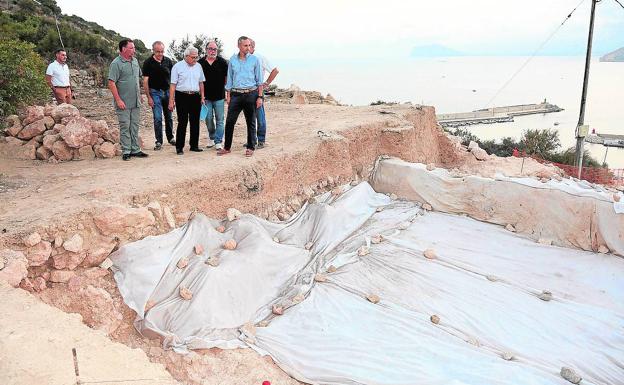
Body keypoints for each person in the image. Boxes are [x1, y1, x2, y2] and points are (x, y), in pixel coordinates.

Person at [219, 36, 263, 157]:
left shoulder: (255, 60)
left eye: (249, 45)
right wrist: (228, 96)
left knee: (251, 122)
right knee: (230, 121)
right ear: (239, 46)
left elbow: (259, 80)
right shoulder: (232, 60)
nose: (248, 48)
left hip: (251, 94)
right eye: (245, 45)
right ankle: (227, 147)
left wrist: (260, 97)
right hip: (236, 95)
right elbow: (229, 80)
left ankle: (250, 147)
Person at [108, 39, 148, 161]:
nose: (134, 50)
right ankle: (126, 151)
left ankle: (135, 149)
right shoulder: (116, 64)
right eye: (131, 48)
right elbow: (111, 83)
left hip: (135, 101)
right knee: (125, 125)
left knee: (134, 126)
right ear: (124, 49)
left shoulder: (135, 61)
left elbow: (137, 79)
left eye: (134, 48)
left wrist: (140, 94)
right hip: (123, 102)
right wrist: (118, 100)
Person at [168, 47, 205, 155]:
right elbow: (173, 85)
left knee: (195, 122)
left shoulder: (198, 66)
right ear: (186, 56)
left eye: (196, 57)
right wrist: (171, 100)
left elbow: (201, 82)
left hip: (195, 96)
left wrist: (202, 97)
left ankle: (194, 145)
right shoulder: (177, 67)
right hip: (182, 96)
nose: (195, 59)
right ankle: (179, 147)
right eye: (193, 57)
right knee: (182, 122)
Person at [142, 41, 175, 150]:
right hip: (155, 92)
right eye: (158, 52)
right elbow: (145, 81)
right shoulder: (148, 63)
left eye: (162, 51)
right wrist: (149, 97)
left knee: (169, 116)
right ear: (153, 51)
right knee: (157, 118)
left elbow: (173, 80)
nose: (160, 54)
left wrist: (172, 97)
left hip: (167, 91)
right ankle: (159, 141)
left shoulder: (168, 61)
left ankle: (170, 138)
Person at [198, 40, 228, 150]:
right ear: (206, 50)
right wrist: (201, 96)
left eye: (215, 49)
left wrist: (227, 93)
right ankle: (212, 136)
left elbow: (226, 79)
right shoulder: (200, 63)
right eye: (210, 49)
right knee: (208, 119)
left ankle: (218, 141)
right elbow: (198, 80)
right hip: (205, 97)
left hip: (219, 96)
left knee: (220, 119)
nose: (212, 51)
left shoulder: (223, 62)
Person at [249, 39, 279, 149]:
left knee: (259, 115)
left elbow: (275, 70)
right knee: (250, 117)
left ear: (253, 47)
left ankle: (261, 140)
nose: (247, 48)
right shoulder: (243, 59)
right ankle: (252, 140)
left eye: (249, 45)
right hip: (246, 91)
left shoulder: (259, 57)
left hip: (257, 91)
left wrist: (266, 83)